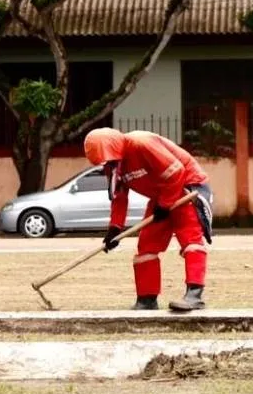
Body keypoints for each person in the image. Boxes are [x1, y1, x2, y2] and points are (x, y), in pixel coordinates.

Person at [83, 127, 213, 312]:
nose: (108, 164)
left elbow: (176, 172)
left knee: (190, 239)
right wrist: (115, 228)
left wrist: (165, 204)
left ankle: (194, 296)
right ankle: (147, 299)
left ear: (115, 147)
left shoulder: (141, 143)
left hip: (186, 188)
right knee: (146, 246)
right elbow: (119, 195)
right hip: (162, 196)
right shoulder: (112, 165)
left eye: (109, 159)